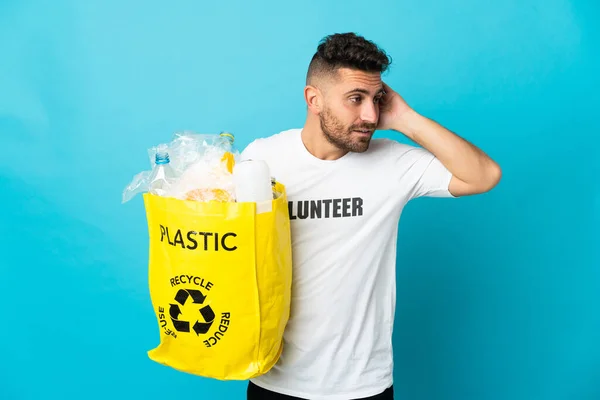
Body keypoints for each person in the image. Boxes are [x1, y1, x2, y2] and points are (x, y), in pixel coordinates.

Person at [240, 32, 501, 400]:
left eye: (376, 99)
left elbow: (484, 175)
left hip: (362, 385)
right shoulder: (262, 158)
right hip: (274, 379)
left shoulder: (392, 161)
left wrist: (407, 119)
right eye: (355, 99)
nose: (371, 115)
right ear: (313, 99)